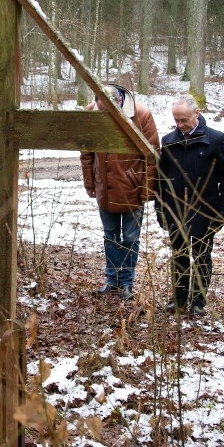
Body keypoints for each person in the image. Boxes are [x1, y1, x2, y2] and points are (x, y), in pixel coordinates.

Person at [81, 83, 160, 301]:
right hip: (104, 187)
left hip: (132, 189)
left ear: (119, 103)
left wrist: (146, 190)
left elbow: (151, 156)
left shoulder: (141, 115)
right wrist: (90, 183)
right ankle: (111, 280)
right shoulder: (91, 112)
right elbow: (86, 152)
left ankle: (127, 282)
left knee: (130, 238)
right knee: (110, 237)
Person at [155, 95, 224, 317]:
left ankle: (198, 301)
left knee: (201, 256)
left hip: (205, 210)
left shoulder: (216, 140)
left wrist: (222, 212)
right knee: (178, 255)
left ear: (197, 114)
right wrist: (161, 209)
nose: (179, 125)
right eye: (176, 120)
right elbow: (161, 178)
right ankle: (178, 298)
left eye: (184, 120)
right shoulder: (169, 140)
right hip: (175, 210)